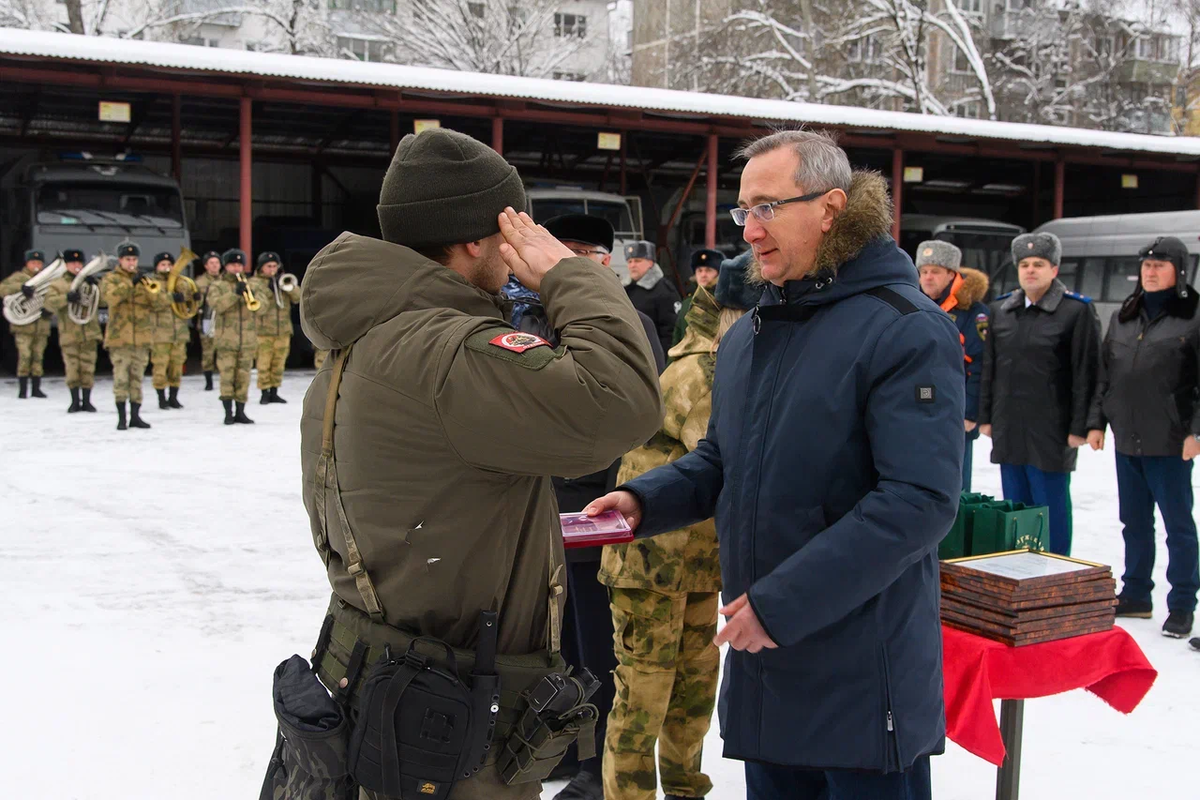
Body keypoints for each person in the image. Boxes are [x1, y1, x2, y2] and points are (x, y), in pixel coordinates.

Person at [587, 129, 963, 800]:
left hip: (859, 680)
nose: (749, 230)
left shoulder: (903, 326)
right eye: (742, 210)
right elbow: (723, 459)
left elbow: (918, 501)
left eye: (766, 208)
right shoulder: (754, 332)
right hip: (767, 667)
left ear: (830, 207)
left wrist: (780, 605)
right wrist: (645, 501)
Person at [295, 128, 662, 800]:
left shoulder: (375, 334)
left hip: (393, 684)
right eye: (510, 225)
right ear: (474, 239)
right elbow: (622, 402)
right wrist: (570, 275)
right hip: (442, 719)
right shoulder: (446, 351)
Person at [501, 213, 665, 800]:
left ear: (600, 262)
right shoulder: (522, 318)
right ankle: (563, 746)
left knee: (599, 643)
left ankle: (599, 767)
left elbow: (641, 418)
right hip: (536, 508)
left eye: (574, 255)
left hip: (597, 507)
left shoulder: (627, 322)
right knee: (554, 643)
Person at [597, 249, 758, 800]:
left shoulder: (735, 363)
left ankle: (687, 789)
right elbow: (730, 460)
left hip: (699, 562)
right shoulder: (703, 370)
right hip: (649, 563)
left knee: (693, 692)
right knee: (644, 697)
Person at [1087, 236, 1200, 640]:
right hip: (1126, 436)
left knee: (1178, 525)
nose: (1150, 272)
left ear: (1179, 271)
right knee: (1133, 522)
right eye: (1146, 265)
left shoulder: (1193, 315)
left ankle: (1183, 602)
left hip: (1171, 440)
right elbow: (1106, 374)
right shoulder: (1125, 315)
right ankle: (1136, 593)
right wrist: (1097, 421)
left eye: (1160, 265)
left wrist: (1195, 431)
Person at [978, 232, 1100, 556]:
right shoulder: (1001, 310)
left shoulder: (1075, 312)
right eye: (1025, 264)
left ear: (1054, 269)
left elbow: (1086, 372)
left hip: (1052, 428)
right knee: (1015, 509)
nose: (1030, 270)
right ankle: (1021, 575)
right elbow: (991, 368)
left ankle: (1055, 575)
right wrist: (986, 416)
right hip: (1009, 426)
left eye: (1039, 264)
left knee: (1051, 509)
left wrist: (1081, 426)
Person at [916, 240, 990, 491]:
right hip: (915, 407)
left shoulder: (973, 312)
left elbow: (979, 364)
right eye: (923, 271)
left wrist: (970, 411)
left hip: (953, 412)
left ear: (951, 274)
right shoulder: (913, 302)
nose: (928, 277)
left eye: (935, 271)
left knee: (953, 486)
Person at [100, 242, 163, 430]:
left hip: (142, 338)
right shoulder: (110, 279)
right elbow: (110, 298)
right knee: (121, 379)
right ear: (120, 260)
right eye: (128, 259)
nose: (131, 263)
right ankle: (121, 418)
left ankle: (135, 416)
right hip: (120, 339)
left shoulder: (144, 280)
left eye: (134, 259)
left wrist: (148, 287)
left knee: (137, 379)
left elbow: (159, 304)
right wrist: (129, 284)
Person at [43, 247, 101, 413]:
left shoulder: (89, 282)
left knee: (88, 368)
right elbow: (49, 303)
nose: (76, 265)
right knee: (72, 369)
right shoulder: (58, 284)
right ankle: (75, 401)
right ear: (66, 265)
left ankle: (87, 401)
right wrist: (66, 298)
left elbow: (104, 301)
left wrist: (96, 285)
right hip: (69, 333)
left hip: (89, 332)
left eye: (79, 262)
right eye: (72, 262)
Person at [207, 248, 258, 425]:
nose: (236, 268)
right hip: (226, 341)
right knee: (227, 376)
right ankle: (228, 412)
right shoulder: (217, 285)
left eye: (239, 264)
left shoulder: (250, 284)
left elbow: (262, 306)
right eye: (232, 265)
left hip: (247, 340)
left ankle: (241, 411)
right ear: (226, 266)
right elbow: (217, 305)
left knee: (243, 376)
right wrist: (234, 294)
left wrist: (251, 293)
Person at [0, 249, 54, 398]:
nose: (36, 265)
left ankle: (36, 388)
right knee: (25, 356)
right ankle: (23, 390)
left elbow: (54, 298)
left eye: (39, 262)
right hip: (23, 326)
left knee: (38, 357)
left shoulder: (48, 280)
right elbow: (2, 289)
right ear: (27, 263)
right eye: (33, 262)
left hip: (41, 326)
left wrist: (50, 310)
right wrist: (20, 288)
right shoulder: (18, 277)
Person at [248, 251, 300, 404]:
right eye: (268, 266)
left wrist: (289, 287)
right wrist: (269, 289)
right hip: (263, 331)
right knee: (264, 363)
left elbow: (298, 298)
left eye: (275, 266)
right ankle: (264, 392)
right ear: (261, 267)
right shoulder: (254, 283)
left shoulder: (283, 280)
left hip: (283, 330)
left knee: (279, 363)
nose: (272, 269)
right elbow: (258, 307)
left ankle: (275, 391)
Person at [149, 251, 190, 410]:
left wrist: (191, 296)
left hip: (179, 332)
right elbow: (154, 302)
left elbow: (189, 303)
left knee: (177, 366)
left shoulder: (181, 281)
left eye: (169, 265)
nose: (166, 268)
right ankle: (161, 398)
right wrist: (171, 298)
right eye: (163, 265)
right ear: (157, 267)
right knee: (160, 366)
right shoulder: (152, 282)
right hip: (160, 333)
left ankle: (174, 397)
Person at [624, 240, 680, 355]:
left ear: (650, 263)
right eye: (629, 261)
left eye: (638, 261)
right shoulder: (624, 289)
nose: (632, 265)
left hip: (653, 357)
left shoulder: (664, 291)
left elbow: (670, 333)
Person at [671, 248, 723, 348]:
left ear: (718, 274)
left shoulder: (723, 302)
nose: (703, 274)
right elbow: (677, 337)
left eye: (708, 270)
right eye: (699, 271)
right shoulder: (687, 303)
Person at [193, 250, 223, 391]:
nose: (215, 265)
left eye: (217, 262)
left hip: (223, 319)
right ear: (206, 266)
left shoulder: (225, 279)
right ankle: (208, 380)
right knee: (208, 351)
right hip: (207, 318)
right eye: (211, 263)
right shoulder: (199, 282)